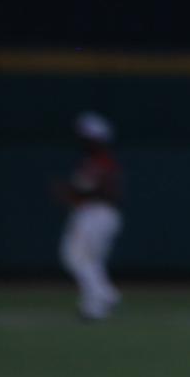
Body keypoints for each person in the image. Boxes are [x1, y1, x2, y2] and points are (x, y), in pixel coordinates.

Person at [54, 112, 123, 320]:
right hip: (94, 213)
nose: (83, 140)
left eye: (87, 137)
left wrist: (72, 191)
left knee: (75, 257)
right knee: (91, 261)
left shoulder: (103, 162)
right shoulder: (93, 161)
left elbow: (103, 190)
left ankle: (105, 295)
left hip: (97, 214)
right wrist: (72, 192)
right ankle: (93, 307)